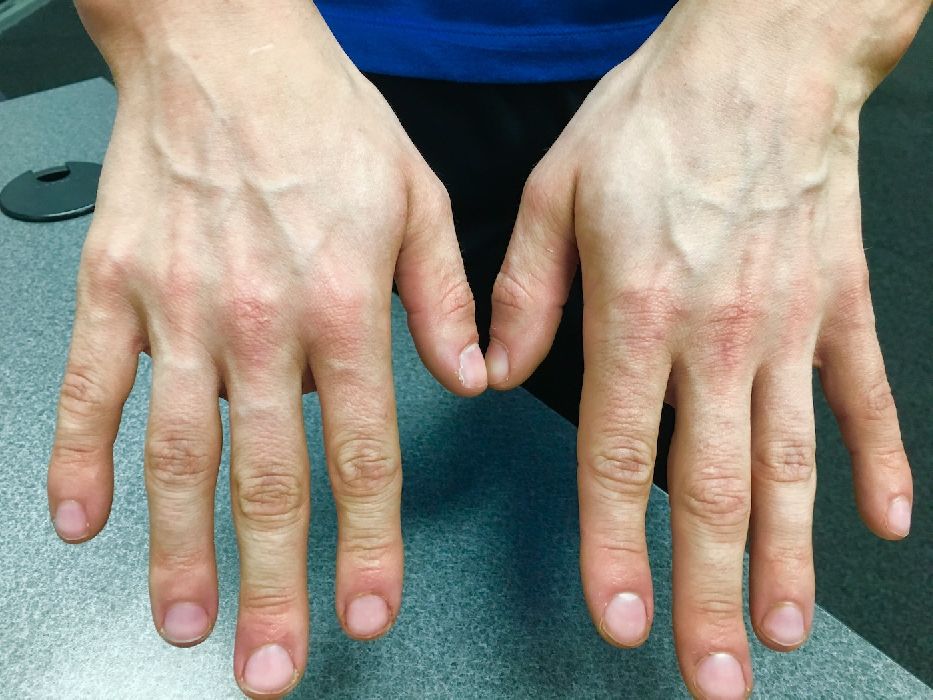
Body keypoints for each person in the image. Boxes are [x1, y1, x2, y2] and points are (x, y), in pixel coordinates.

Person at [47, 1, 927, 697]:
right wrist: (192, 29)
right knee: (297, 464)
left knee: (665, 462)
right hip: (302, 61)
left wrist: (795, 39)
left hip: (695, 75)